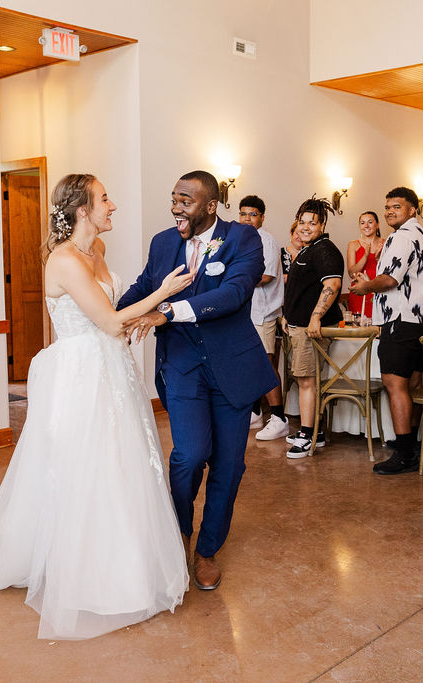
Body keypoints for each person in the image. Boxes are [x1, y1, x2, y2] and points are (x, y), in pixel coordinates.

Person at [0, 174, 194, 639]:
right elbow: (111, 323)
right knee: (84, 465)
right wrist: (163, 295)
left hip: (112, 369)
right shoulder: (65, 260)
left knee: (121, 462)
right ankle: (80, 569)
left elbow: (113, 306)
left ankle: (124, 561)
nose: (113, 205)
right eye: (105, 199)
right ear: (81, 210)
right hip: (81, 371)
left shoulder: (98, 253)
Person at [117, 170, 276, 590]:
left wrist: (168, 313)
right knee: (188, 455)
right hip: (183, 367)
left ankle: (207, 550)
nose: (175, 207)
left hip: (232, 369)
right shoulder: (163, 242)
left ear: (210, 205)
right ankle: (179, 536)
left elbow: (233, 294)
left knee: (229, 465)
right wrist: (104, 312)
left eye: (185, 200)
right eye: (173, 198)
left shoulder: (244, 239)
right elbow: (144, 287)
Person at [348, 187, 423, 474]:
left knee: (393, 383)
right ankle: (411, 445)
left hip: (402, 318)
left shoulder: (402, 236)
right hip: (421, 318)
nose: (389, 212)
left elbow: (389, 280)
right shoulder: (419, 233)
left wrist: (364, 286)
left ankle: (405, 454)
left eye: (396, 207)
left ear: (412, 209)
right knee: (411, 383)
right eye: (387, 207)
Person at [282, 197, 343, 458]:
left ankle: (307, 436)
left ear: (323, 224)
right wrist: (288, 315)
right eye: (302, 222)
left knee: (307, 381)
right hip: (298, 326)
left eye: (312, 222)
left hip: (310, 330)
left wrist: (315, 318)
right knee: (304, 380)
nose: (305, 227)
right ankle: (314, 432)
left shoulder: (324, 249)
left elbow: (332, 286)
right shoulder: (308, 249)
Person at [239, 195, 289, 441]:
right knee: (249, 365)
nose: (247, 219)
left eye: (253, 214)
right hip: (246, 313)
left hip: (264, 313)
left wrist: (235, 282)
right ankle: (255, 412)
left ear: (262, 217)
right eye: (243, 214)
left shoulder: (266, 241)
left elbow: (267, 276)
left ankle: (279, 417)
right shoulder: (241, 240)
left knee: (265, 364)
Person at [346, 211, 382, 319]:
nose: (366, 226)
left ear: (377, 224)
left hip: (379, 289)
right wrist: (365, 256)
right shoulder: (353, 244)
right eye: (362, 223)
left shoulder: (385, 243)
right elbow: (352, 273)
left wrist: (378, 259)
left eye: (370, 222)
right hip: (359, 291)